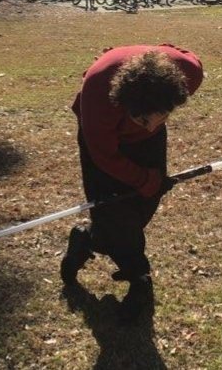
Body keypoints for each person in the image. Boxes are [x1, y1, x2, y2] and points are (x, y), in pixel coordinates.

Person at [62, 44, 203, 322]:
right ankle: (139, 278)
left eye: (158, 118)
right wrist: (142, 178)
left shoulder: (188, 73)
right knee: (114, 207)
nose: (149, 126)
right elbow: (105, 156)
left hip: (146, 126)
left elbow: (178, 52)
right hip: (103, 141)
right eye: (141, 120)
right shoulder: (98, 100)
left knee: (146, 201)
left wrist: (150, 182)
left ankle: (88, 238)